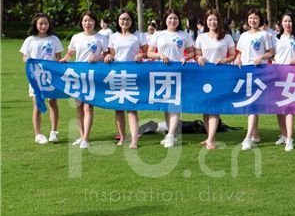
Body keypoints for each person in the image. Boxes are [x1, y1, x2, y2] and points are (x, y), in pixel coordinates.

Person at [60, 10, 110, 149]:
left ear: (95, 22)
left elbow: (107, 55)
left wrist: (98, 58)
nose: (87, 23)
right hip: (78, 75)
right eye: (85, 20)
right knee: (79, 106)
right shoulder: (76, 37)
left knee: (88, 106)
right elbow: (70, 53)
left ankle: (86, 138)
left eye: (90, 20)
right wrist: (64, 60)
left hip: (92, 75)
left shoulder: (101, 37)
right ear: (81, 22)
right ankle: (82, 136)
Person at [146, 9, 195, 148]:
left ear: (179, 20)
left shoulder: (184, 35)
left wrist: (186, 57)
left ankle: (171, 134)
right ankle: (171, 133)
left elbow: (192, 52)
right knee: (167, 105)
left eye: (175, 18)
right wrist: (160, 55)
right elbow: (149, 53)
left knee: (175, 103)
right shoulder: (158, 34)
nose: (172, 21)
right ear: (165, 20)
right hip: (162, 73)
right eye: (170, 18)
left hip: (178, 72)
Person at [194, 8, 236, 150]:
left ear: (219, 21)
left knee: (214, 108)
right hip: (204, 76)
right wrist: (199, 58)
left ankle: (211, 139)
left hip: (220, 76)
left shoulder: (227, 37)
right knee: (206, 108)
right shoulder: (201, 37)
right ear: (206, 21)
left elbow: (233, 55)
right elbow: (197, 54)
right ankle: (208, 136)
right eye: (210, 19)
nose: (212, 22)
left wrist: (224, 60)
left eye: (215, 19)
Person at [105, 9, 147, 148]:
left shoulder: (138, 35)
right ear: (118, 21)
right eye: (122, 19)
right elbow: (112, 55)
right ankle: (122, 138)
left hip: (133, 74)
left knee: (131, 108)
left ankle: (134, 139)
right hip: (117, 75)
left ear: (132, 21)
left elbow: (147, 52)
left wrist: (141, 55)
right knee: (118, 109)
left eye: (128, 19)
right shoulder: (113, 37)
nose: (125, 21)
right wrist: (109, 57)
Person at [20, 13, 63, 145]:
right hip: (36, 77)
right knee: (37, 104)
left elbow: (58, 57)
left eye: (45, 23)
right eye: (40, 23)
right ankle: (38, 134)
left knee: (52, 102)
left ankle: (53, 132)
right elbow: (24, 57)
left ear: (49, 24)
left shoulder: (54, 39)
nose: (43, 26)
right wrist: (27, 59)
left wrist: (60, 63)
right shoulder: (30, 40)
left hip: (51, 77)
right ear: (35, 24)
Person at [235, 8, 274, 150]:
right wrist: (238, 59)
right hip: (245, 72)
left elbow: (271, 52)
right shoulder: (243, 36)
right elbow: (239, 52)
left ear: (260, 20)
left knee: (252, 104)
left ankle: (247, 137)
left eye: (256, 18)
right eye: (250, 18)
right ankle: (255, 135)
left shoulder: (264, 35)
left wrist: (261, 57)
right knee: (251, 105)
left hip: (259, 72)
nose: (253, 20)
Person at [272, 12, 295, 152]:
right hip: (278, 75)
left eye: (290, 21)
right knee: (279, 107)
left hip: (293, 76)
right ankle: (284, 134)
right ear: (281, 23)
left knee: (289, 106)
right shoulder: (276, 38)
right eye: (285, 21)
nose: (287, 24)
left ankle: (290, 138)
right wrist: (273, 61)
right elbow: (271, 54)